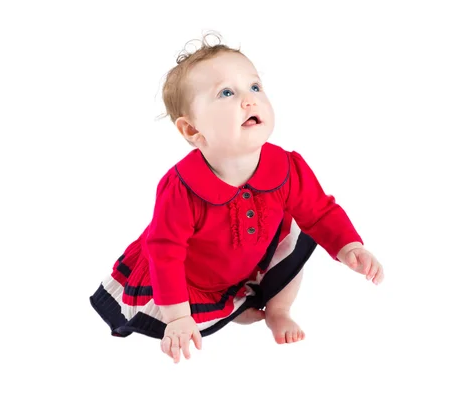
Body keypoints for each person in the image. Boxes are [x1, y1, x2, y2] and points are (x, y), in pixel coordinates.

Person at [89, 33, 384, 363]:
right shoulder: (182, 187)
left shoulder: (287, 167)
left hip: (248, 260)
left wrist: (349, 246)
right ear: (191, 131)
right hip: (192, 277)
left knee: (298, 237)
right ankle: (228, 308)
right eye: (227, 93)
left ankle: (278, 310)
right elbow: (165, 252)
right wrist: (177, 317)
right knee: (184, 304)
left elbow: (320, 211)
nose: (249, 100)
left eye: (255, 87)